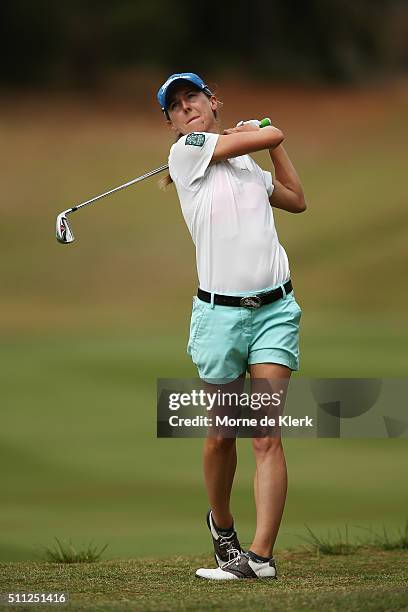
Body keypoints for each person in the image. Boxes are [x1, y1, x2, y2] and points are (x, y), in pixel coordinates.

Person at [157, 72, 306, 580]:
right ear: (174, 125)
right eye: (175, 107)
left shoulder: (242, 162)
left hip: (274, 311)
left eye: (192, 97)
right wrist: (262, 130)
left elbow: (294, 197)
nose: (186, 108)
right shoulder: (187, 153)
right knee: (223, 434)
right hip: (219, 316)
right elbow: (272, 134)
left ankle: (260, 558)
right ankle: (222, 528)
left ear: (211, 100)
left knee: (265, 434)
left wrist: (265, 145)